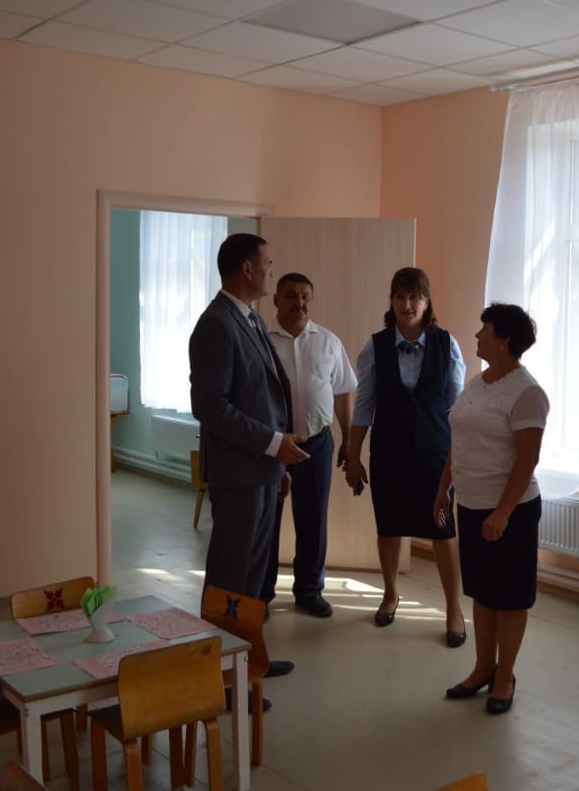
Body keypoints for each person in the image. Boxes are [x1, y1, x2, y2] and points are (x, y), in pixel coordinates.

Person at [189, 233, 306, 680]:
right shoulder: (216, 324)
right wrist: (273, 444)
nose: (272, 270)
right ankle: (217, 675)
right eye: (268, 264)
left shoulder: (250, 317)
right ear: (247, 269)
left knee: (254, 580)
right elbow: (211, 406)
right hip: (238, 475)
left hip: (261, 472)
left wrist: (278, 463)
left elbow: (264, 394)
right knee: (230, 581)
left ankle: (249, 662)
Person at [344, 267, 467, 645]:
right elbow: (363, 407)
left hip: (435, 454)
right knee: (389, 526)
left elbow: (459, 410)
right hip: (389, 453)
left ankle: (454, 609)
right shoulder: (375, 347)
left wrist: (460, 459)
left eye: (415, 297)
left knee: (443, 530)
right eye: (400, 296)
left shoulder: (447, 345)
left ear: (427, 303)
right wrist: (353, 455)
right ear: (392, 300)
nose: (407, 304)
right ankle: (390, 594)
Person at [436, 304, 549, 716]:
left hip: (511, 511)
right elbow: (460, 440)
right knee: (482, 593)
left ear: (504, 339)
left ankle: (505, 676)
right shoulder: (477, 383)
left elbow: (527, 461)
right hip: (471, 504)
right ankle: (483, 668)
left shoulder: (527, 393)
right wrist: (443, 489)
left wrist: (502, 513)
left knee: (511, 598)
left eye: (484, 328)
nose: (477, 334)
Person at [263, 272, 357, 618]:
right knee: (267, 519)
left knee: (313, 518)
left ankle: (309, 590)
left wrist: (348, 439)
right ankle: (261, 593)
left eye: (305, 296)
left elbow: (344, 390)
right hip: (273, 445)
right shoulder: (262, 341)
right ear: (276, 300)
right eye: (291, 296)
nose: (299, 303)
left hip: (317, 444)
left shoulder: (328, 341)